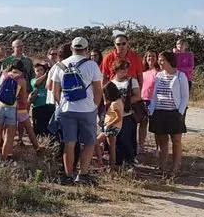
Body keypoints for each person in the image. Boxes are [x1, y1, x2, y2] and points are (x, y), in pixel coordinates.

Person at [49, 37, 104, 185]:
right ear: (86, 49)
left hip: (67, 109)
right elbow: (99, 90)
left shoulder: (60, 65)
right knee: (89, 143)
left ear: (72, 48)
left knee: (69, 143)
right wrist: (94, 107)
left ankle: (68, 175)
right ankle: (83, 174)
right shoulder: (92, 65)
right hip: (87, 110)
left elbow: (54, 91)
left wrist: (62, 105)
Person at [148, 51, 190, 177]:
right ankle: (162, 167)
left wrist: (180, 112)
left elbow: (185, 96)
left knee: (176, 140)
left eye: (163, 60)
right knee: (162, 141)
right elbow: (154, 95)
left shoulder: (180, 76)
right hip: (160, 111)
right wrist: (152, 109)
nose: (160, 62)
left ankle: (175, 168)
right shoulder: (159, 76)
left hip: (174, 112)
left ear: (170, 61)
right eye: (159, 60)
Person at [0, 60, 29, 160]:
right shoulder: (21, 80)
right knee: (9, 136)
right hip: (11, 108)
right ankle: (4, 159)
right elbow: (23, 98)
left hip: (0, 107)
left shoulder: (3, 75)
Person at [110, 59, 141, 167]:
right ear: (116, 69)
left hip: (127, 114)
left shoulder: (131, 81)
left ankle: (129, 161)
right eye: (122, 69)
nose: (124, 71)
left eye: (126, 69)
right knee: (115, 139)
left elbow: (138, 96)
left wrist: (124, 100)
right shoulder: (111, 83)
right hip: (114, 115)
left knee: (126, 139)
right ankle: (117, 163)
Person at [96, 82, 124, 171]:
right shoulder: (119, 101)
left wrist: (109, 124)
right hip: (112, 127)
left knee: (111, 148)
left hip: (111, 128)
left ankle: (111, 167)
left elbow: (118, 117)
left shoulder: (115, 104)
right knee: (98, 142)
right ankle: (104, 163)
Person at [140, 50, 160, 152]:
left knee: (156, 126)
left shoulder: (158, 73)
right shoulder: (142, 72)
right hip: (143, 100)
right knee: (143, 124)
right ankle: (141, 146)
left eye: (153, 56)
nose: (150, 58)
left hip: (154, 101)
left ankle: (158, 147)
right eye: (148, 56)